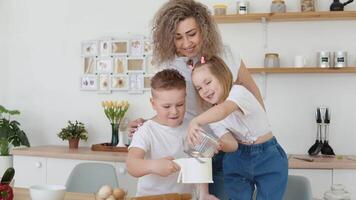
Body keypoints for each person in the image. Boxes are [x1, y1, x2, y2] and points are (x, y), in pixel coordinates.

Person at [129, 0, 264, 199]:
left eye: (192, 34)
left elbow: (252, 94)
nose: (186, 43)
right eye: (178, 38)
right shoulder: (168, 64)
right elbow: (168, 105)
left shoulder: (226, 55)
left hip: (227, 150)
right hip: (195, 152)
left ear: (204, 28)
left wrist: (260, 138)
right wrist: (146, 123)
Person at [188, 56, 288, 200]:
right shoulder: (213, 117)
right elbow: (232, 145)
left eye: (208, 82)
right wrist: (219, 144)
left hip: (268, 157)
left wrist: (195, 122)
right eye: (199, 88)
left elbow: (224, 110)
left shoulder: (238, 93)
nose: (204, 90)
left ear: (222, 76)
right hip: (237, 159)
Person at [126, 69, 217, 199]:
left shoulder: (192, 127)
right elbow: (131, 164)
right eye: (167, 106)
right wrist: (153, 165)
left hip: (184, 197)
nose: (174, 111)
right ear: (153, 104)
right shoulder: (146, 131)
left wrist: (204, 195)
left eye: (180, 104)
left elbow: (200, 162)